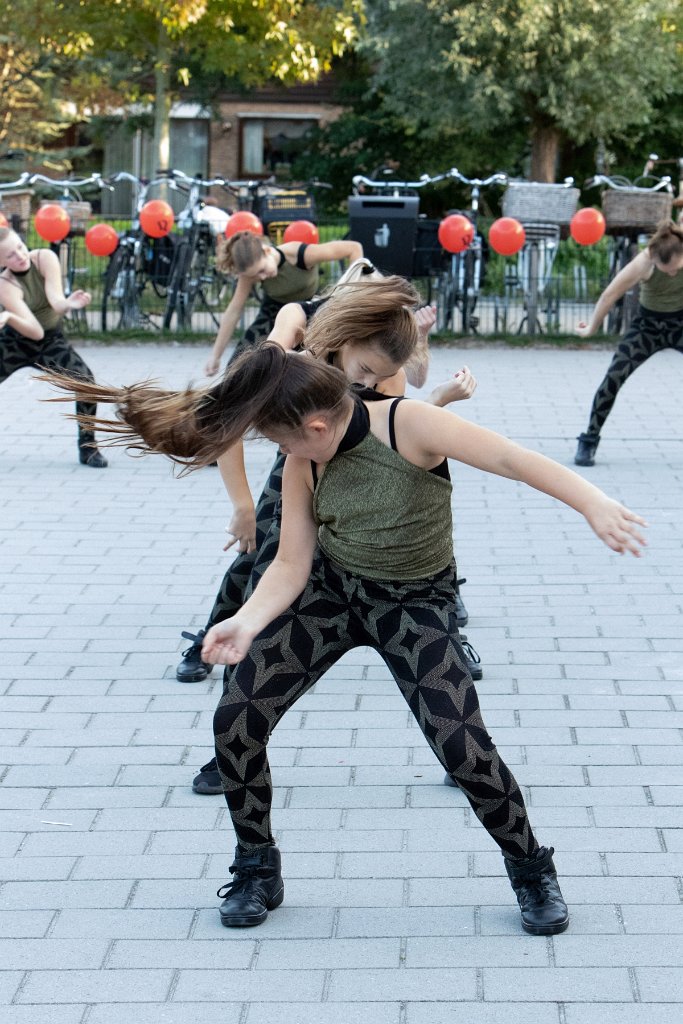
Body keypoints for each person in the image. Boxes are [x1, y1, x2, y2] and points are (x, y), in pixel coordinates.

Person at [42, 340, 646, 937]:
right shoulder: (307, 457)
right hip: (331, 594)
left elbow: (513, 459)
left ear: (318, 423)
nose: (281, 455)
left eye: (282, 441)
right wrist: (244, 622)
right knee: (236, 719)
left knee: (461, 745)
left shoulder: (410, 424)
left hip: (412, 604)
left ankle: (531, 868)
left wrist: (593, 503)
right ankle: (257, 867)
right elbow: (289, 564)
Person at [176, 274, 481, 796]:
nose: (365, 381)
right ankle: (228, 750)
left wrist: (441, 401)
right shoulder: (295, 330)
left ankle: (461, 750)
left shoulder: (383, 371)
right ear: (348, 333)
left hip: (362, 483)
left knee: (413, 597)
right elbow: (232, 416)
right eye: (362, 368)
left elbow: (398, 429)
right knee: (259, 593)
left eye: (378, 375)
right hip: (297, 467)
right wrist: (243, 504)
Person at [575, 220, 683, 466]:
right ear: (655, 258)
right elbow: (610, 295)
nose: (672, 274)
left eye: (677, 269)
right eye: (666, 270)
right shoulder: (643, 262)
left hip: (680, 323)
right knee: (614, 376)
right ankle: (588, 441)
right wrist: (591, 327)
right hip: (648, 327)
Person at [0, 226, 107, 467]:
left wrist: (69, 303)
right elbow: (32, 330)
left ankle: (88, 447)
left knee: (86, 382)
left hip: (50, 341)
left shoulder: (45, 258)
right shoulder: (5, 285)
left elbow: (56, 303)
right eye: (10, 255)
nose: (19, 255)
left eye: (19, 246)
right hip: (15, 341)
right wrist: (8, 318)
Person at [204, 229, 363, 376]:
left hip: (308, 311)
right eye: (256, 275)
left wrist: (350, 293)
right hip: (273, 311)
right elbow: (233, 311)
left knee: (299, 365)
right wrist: (215, 357)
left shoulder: (300, 254)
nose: (262, 278)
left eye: (262, 270)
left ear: (266, 251)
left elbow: (353, 248)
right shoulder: (250, 272)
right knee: (241, 365)